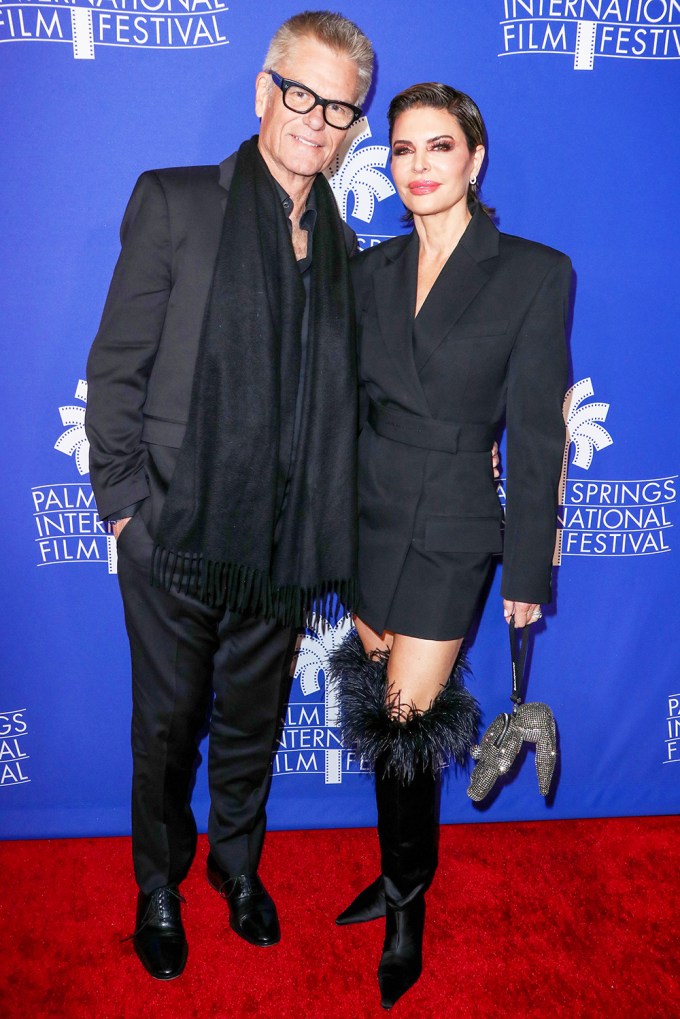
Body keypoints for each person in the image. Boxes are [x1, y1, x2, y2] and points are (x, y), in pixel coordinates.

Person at [85, 11, 373, 980]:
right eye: (302, 94)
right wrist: (127, 502)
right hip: (172, 526)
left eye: (340, 108)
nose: (317, 121)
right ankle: (158, 884)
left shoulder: (342, 242)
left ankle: (235, 867)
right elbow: (117, 363)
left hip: (282, 541)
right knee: (166, 727)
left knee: (251, 720)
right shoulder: (175, 202)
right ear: (263, 92)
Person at [329, 83, 571, 1009]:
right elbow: (343, 414)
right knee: (390, 709)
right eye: (402, 150)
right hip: (368, 515)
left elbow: (540, 436)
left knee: (400, 712)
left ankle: (404, 901)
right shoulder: (369, 271)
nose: (419, 166)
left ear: (476, 158)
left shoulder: (534, 273)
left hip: (456, 521)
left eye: (439, 147)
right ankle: (404, 865)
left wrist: (529, 566)